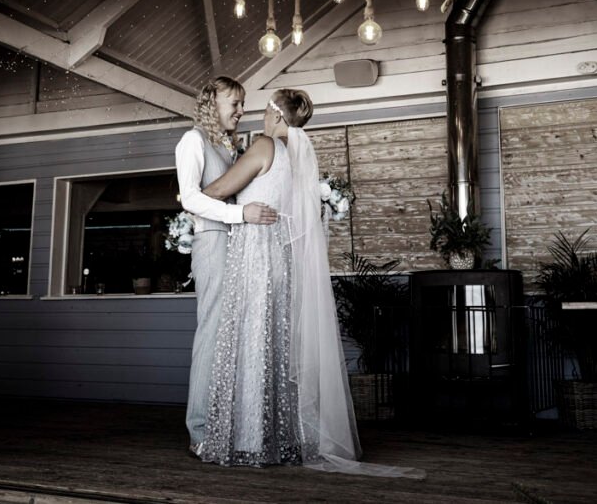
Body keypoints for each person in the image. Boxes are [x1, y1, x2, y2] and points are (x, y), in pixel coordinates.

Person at [195, 89, 423, 478]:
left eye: (265, 110)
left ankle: (249, 439)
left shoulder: (265, 145)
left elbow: (217, 191)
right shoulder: (298, 159)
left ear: (276, 116)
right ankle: (279, 437)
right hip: (281, 260)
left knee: (252, 342)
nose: (260, 117)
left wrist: (187, 195)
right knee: (274, 347)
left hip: (256, 255)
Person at [175, 76, 278, 455]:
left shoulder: (230, 146)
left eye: (242, 103)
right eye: (233, 103)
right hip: (214, 242)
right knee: (212, 334)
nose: (240, 110)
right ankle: (199, 431)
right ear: (211, 103)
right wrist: (241, 214)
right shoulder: (192, 141)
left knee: (232, 337)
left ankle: (226, 424)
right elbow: (190, 199)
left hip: (238, 245)